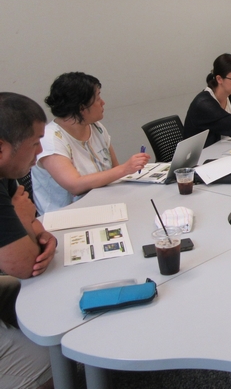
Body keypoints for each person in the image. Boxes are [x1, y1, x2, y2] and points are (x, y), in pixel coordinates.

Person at [31, 72, 150, 214]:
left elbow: (114, 169)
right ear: (81, 108)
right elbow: (74, 185)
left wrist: (126, 170)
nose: (103, 103)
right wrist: (125, 169)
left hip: (102, 204)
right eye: (98, 98)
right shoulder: (50, 138)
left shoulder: (96, 127)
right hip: (65, 216)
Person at [0, 92, 56, 389]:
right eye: (35, 143)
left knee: (42, 300)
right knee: (48, 359)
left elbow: (33, 222)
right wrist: (23, 222)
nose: (39, 154)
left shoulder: (6, 172)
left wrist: (41, 234)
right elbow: (25, 265)